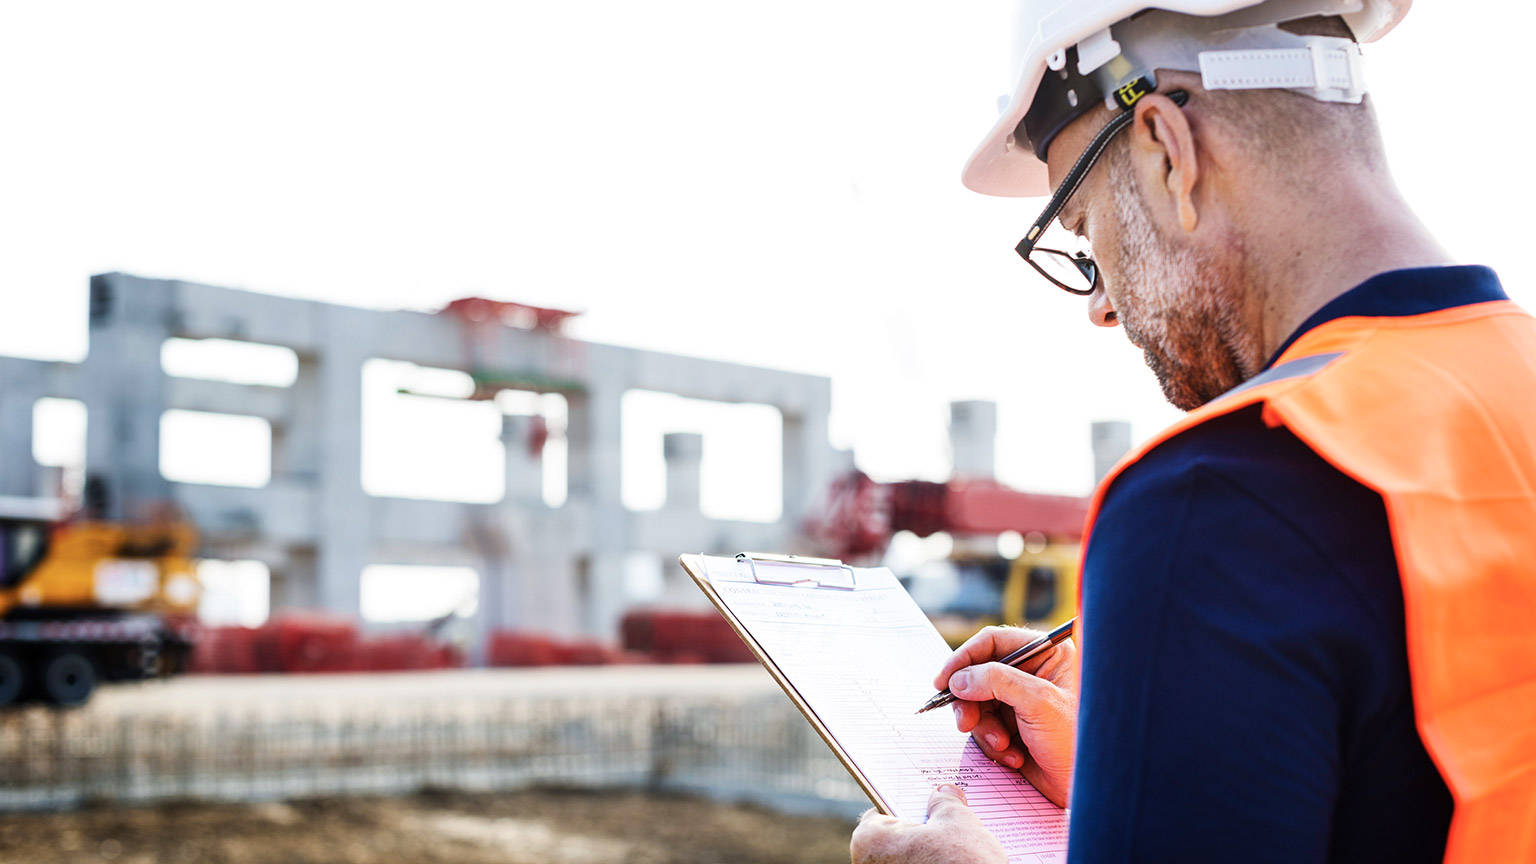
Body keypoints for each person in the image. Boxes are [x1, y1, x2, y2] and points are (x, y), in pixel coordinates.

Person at [851, 1, 1536, 862]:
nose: (1101, 306)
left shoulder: (1214, 498)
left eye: (1087, 236)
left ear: (1167, 151)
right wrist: (1152, 773)